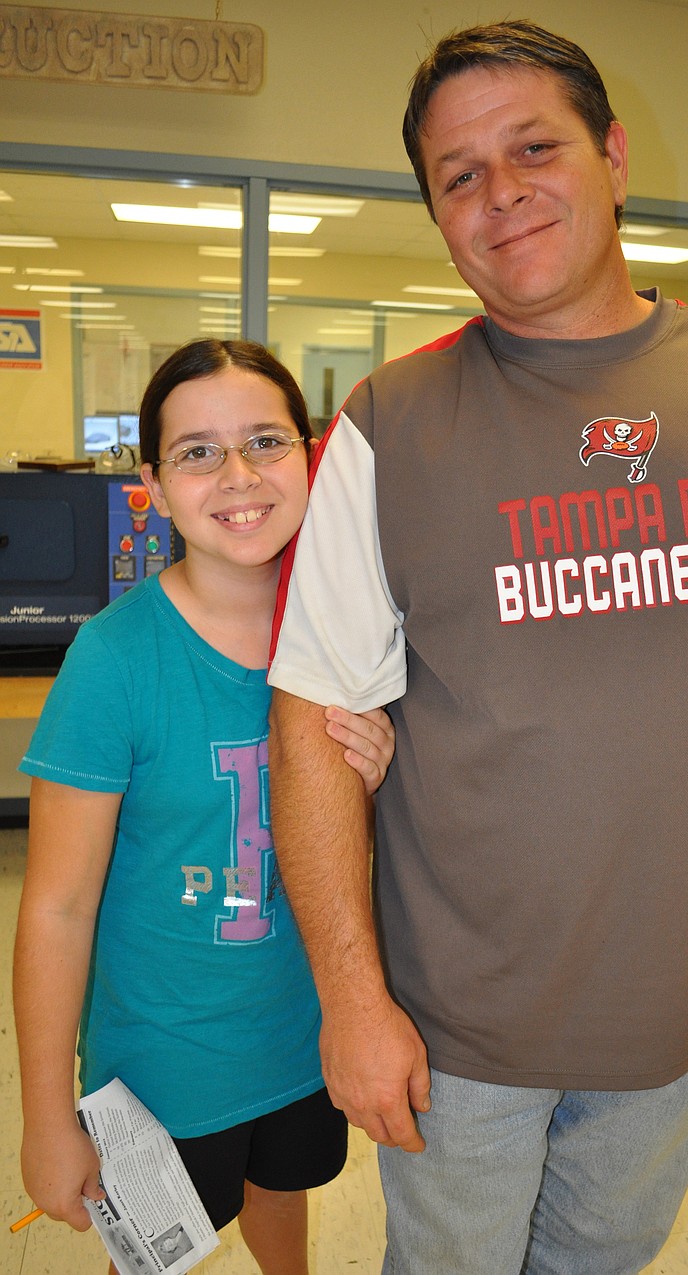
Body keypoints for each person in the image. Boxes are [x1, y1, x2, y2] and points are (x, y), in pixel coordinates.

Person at [266, 20, 688, 1275]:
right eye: (457, 176)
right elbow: (310, 725)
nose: (500, 193)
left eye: (533, 147)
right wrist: (352, 1002)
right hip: (458, 1021)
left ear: (615, 155)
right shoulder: (389, 425)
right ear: (435, 213)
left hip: (685, 1008)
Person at [13, 339, 396, 1275]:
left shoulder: (351, 635)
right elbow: (55, 909)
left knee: (281, 1189)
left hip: (302, 1036)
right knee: (152, 1255)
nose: (238, 475)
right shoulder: (114, 659)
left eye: (265, 441)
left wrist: (382, 775)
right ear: (150, 483)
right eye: (197, 451)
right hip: (161, 1068)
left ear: (309, 455)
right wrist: (44, 1120)